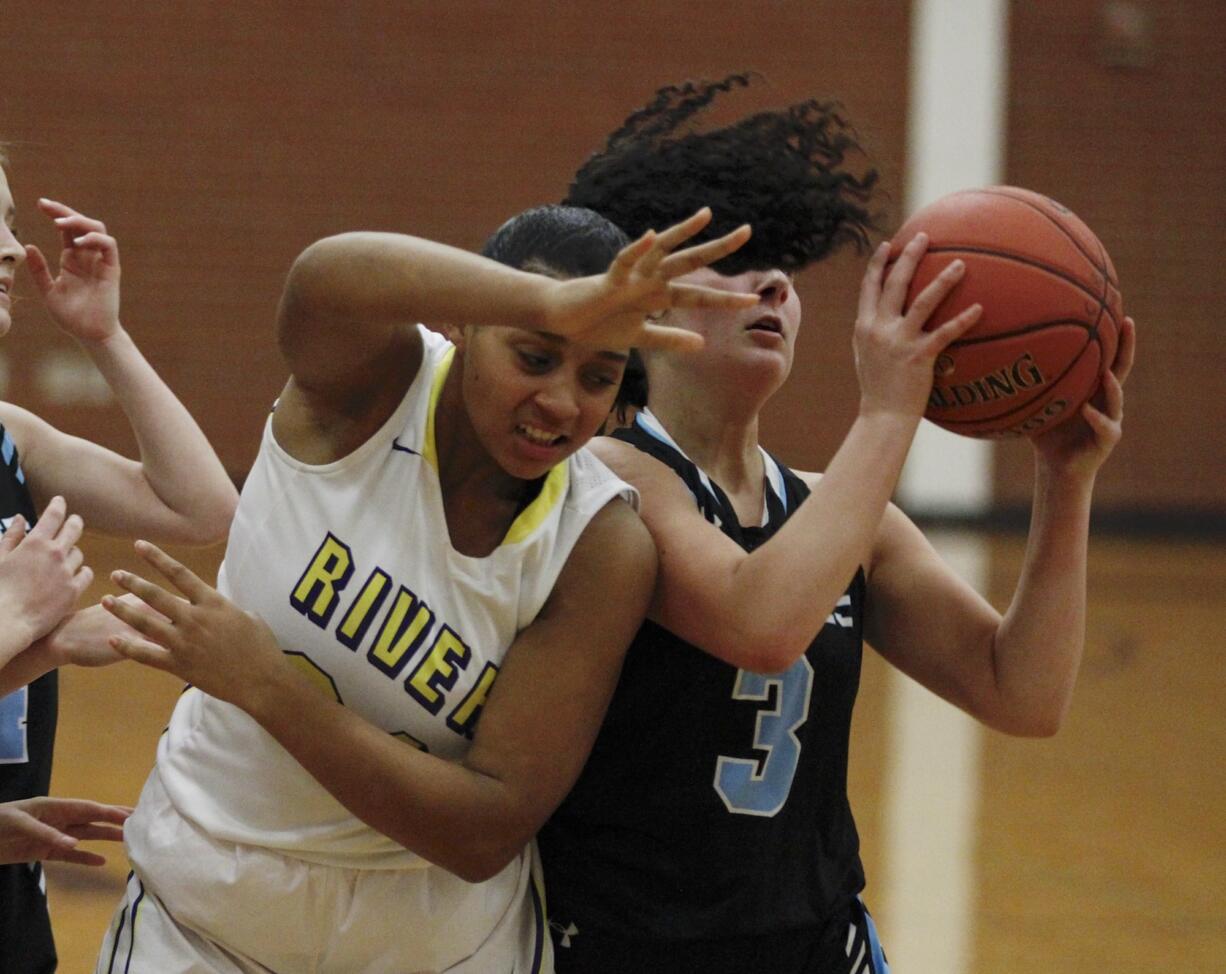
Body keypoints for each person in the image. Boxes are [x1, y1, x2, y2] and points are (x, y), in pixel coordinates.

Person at [536, 74, 1137, 974]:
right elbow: (761, 623)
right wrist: (891, 413)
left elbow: (1024, 693)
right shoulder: (614, 479)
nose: (772, 282)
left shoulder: (844, 516)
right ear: (648, 303)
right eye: (735, 262)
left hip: (822, 946)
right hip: (636, 949)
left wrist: (1063, 479)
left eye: (782, 267)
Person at [95, 203, 756, 973]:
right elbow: (325, 275)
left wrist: (268, 686)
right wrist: (546, 302)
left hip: (435, 947)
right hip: (205, 914)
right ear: (472, 323)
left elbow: (485, 827)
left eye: (598, 376)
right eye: (536, 357)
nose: (562, 403)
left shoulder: (601, 543)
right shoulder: (373, 385)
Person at [0, 146, 238, 972]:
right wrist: (28, 628)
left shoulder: (11, 437)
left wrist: (106, 337)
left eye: (8, 224)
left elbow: (200, 507)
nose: (6, 249)